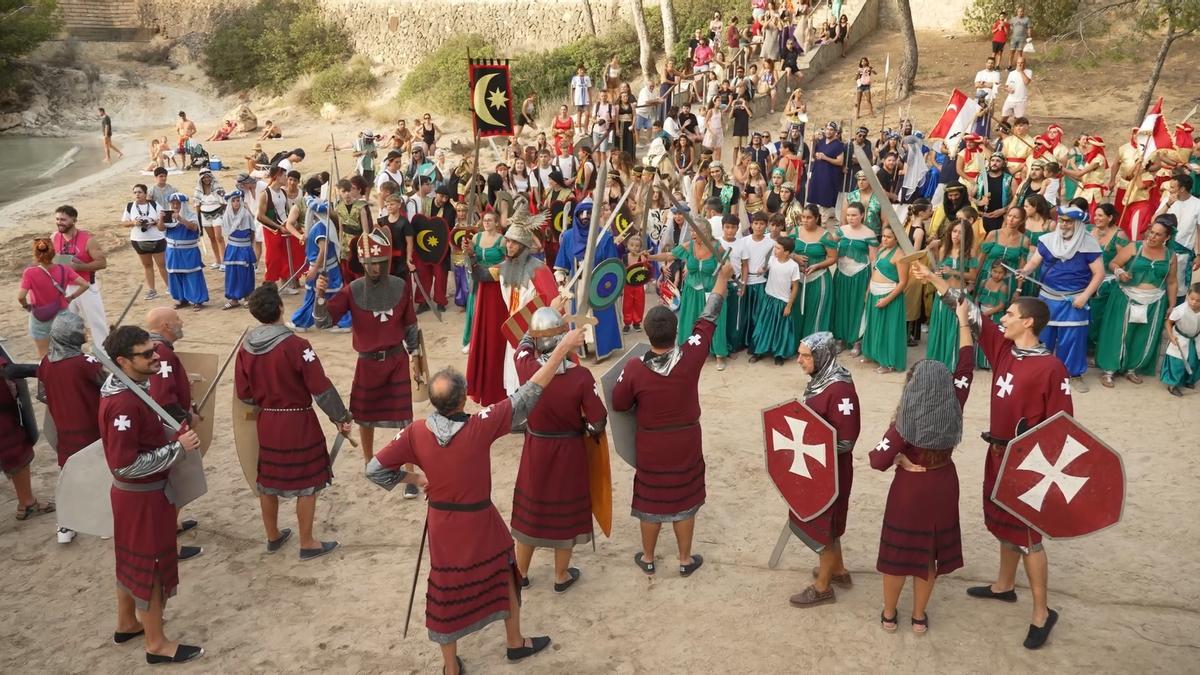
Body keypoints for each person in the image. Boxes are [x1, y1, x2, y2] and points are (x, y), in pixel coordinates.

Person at [366, 329, 586, 675]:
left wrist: (413, 478)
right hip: (481, 524)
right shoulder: (480, 426)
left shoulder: (416, 432)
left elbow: (374, 469)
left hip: (442, 527)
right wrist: (561, 349)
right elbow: (529, 394)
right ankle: (515, 643)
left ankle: (450, 667)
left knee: (446, 591)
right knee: (506, 577)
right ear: (463, 399)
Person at [918, 267, 1070, 650]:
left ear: (1028, 322)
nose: (1002, 318)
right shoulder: (1003, 348)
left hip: (1029, 463)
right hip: (997, 451)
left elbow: (1064, 427)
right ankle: (1004, 585)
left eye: (1010, 315)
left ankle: (1041, 612)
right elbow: (967, 310)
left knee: (1030, 537)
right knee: (1003, 521)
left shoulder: (1052, 368)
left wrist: (1039, 469)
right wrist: (935, 280)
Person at [612, 262, 733, 578]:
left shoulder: (636, 369)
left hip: (651, 444)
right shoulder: (690, 356)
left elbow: (619, 402)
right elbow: (708, 318)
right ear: (675, 330)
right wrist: (722, 278)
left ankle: (649, 558)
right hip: (685, 442)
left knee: (651, 499)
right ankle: (683, 559)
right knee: (685, 498)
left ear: (647, 333)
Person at [98, 325, 204, 664]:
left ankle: (128, 623)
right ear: (122, 361)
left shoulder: (130, 389)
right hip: (141, 497)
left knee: (131, 560)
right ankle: (156, 644)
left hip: (137, 498)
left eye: (154, 350)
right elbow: (124, 465)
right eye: (146, 354)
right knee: (152, 567)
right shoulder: (124, 404)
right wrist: (177, 448)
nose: (156, 357)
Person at [868, 300, 975, 633]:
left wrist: (900, 457)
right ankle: (918, 618)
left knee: (899, 555)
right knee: (928, 556)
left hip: (910, 490)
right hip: (943, 484)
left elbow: (877, 460)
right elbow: (967, 364)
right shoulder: (954, 400)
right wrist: (962, 322)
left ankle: (888, 614)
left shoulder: (904, 422)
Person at [235, 284, 350, 560]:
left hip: (268, 423)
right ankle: (307, 542)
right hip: (297, 422)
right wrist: (340, 417)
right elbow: (320, 387)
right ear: (280, 308)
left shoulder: (246, 348)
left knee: (268, 481)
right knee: (308, 482)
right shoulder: (297, 345)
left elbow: (244, 393)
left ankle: (273, 536)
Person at [509, 307, 606, 592]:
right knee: (566, 515)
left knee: (531, 512)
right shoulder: (581, 377)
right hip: (568, 451)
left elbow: (523, 344)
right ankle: (560, 576)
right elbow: (598, 421)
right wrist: (588, 431)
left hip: (536, 448)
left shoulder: (526, 365)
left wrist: (541, 321)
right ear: (564, 340)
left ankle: (522, 572)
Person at [313, 229, 420, 472]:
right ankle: (369, 461)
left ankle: (410, 468)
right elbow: (323, 321)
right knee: (365, 417)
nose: (374, 268)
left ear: (386, 261)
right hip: (368, 363)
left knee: (405, 419)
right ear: (362, 262)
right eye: (369, 263)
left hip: (396, 360)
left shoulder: (400, 286)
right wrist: (319, 294)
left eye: (378, 263)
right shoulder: (353, 290)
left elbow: (410, 324)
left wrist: (415, 356)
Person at [784, 331, 861, 607]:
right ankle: (838, 571)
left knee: (826, 526)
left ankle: (822, 588)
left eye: (805, 355)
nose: (799, 360)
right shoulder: (822, 380)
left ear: (821, 356)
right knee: (830, 525)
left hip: (833, 472)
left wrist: (814, 451)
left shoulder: (839, 389)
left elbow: (847, 440)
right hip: (822, 467)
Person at [1016, 205, 1104, 390]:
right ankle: (1039, 373)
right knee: (1042, 336)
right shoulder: (1048, 240)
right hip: (1048, 297)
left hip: (1074, 300)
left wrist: (1085, 296)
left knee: (1073, 339)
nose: (1063, 225)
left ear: (1078, 224)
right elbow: (1034, 261)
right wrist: (1025, 271)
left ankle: (1072, 374)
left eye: (1068, 221)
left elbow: (1099, 274)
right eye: (1062, 220)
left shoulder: (1089, 244)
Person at [36, 311, 104, 544]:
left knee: (69, 477)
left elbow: (43, 394)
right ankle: (104, 522)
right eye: (80, 329)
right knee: (101, 475)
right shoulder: (86, 363)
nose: (83, 332)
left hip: (64, 428)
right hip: (93, 427)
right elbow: (110, 386)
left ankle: (65, 525)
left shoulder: (45, 363)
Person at [143, 306, 204, 561]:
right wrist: (189, 419)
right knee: (173, 482)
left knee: (175, 481)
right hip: (169, 429)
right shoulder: (163, 354)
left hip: (167, 426)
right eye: (176, 319)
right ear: (166, 326)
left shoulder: (156, 351)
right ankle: (168, 545)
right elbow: (163, 399)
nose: (181, 322)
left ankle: (174, 527)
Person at [1095, 216, 1177, 387]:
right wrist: (1119, 272)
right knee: (1119, 333)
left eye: (1157, 234)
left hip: (1154, 300)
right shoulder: (1135, 246)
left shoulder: (1170, 256)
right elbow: (1113, 263)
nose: (1152, 237)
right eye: (1151, 232)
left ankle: (1131, 368)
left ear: (1167, 237)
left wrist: (1172, 305)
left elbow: (1171, 281)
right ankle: (1109, 370)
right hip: (1127, 296)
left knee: (1143, 335)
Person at [646, 229, 731, 369]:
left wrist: (725, 271)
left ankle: (719, 355)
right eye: (691, 231)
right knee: (689, 321)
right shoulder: (689, 245)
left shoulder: (716, 246)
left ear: (705, 231)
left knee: (716, 322)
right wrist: (651, 257)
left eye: (695, 231)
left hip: (712, 290)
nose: (692, 234)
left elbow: (727, 264)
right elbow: (669, 254)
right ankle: (686, 353)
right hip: (692, 290)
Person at [554, 200, 623, 360]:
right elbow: (561, 263)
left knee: (601, 319)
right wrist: (561, 279)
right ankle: (581, 347)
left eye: (589, 213)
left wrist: (610, 287)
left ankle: (604, 347)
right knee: (579, 319)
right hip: (577, 287)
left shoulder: (604, 237)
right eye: (581, 213)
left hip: (599, 287)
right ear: (577, 215)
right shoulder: (569, 237)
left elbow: (611, 266)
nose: (585, 217)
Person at [19, 237, 91, 357]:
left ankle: (50, 374)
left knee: (44, 353)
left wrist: (26, 306)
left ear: (35, 254)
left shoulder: (30, 273)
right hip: (62, 313)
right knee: (68, 351)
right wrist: (71, 297)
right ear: (53, 253)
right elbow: (85, 284)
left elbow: (21, 296)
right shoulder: (64, 269)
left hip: (41, 316)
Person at [51, 205, 109, 342]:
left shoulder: (88, 240)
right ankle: (74, 356)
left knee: (96, 323)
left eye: (63, 219)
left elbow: (102, 263)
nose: (59, 222)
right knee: (68, 324)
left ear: (74, 220)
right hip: (63, 287)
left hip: (87, 286)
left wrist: (79, 267)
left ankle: (105, 356)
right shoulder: (54, 237)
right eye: (57, 219)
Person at [926, 220, 978, 370]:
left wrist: (954, 272)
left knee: (956, 328)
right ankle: (937, 362)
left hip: (960, 295)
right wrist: (938, 273)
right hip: (943, 293)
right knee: (941, 327)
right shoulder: (944, 249)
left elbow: (973, 276)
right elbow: (940, 270)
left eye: (960, 232)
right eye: (954, 231)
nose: (956, 235)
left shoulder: (970, 252)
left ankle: (954, 364)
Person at [831, 202, 878, 354]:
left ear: (862, 215)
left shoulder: (869, 233)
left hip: (860, 274)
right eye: (848, 215)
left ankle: (857, 340)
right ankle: (841, 339)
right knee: (841, 306)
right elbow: (828, 246)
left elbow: (873, 260)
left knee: (858, 306)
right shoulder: (841, 231)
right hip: (842, 273)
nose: (851, 218)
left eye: (854, 215)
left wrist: (872, 282)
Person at [861, 225, 909, 373]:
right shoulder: (882, 250)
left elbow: (903, 282)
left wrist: (887, 299)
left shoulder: (900, 255)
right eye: (883, 236)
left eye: (889, 237)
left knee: (888, 328)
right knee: (874, 325)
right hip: (875, 292)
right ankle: (872, 354)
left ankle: (888, 362)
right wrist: (868, 290)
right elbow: (875, 271)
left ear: (897, 238)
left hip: (888, 295)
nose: (885, 239)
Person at [749, 236, 801, 364]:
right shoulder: (772, 260)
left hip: (782, 302)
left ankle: (779, 354)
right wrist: (762, 270)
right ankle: (758, 352)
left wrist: (789, 306)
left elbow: (795, 287)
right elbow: (765, 269)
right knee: (763, 326)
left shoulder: (793, 266)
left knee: (781, 330)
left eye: (778, 248)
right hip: (769, 299)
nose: (775, 250)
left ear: (787, 252)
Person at [159, 194, 209, 311]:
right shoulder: (168, 217)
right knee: (175, 275)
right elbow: (161, 228)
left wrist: (180, 219)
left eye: (177, 203)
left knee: (192, 275)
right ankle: (181, 299)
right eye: (173, 203)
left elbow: (194, 228)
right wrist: (161, 219)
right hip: (173, 251)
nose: (175, 205)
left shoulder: (191, 215)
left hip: (189, 251)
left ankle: (198, 300)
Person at [1154, 173, 1200, 301]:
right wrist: (1168, 204)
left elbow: (1199, 231)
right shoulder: (1168, 201)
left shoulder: (1197, 204)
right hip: (1163, 251)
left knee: (1178, 289)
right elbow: (1154, 221)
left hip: (1183, 254)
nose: (1170, 190)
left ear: (1182, 189)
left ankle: (1173, 318)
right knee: (1160, 285)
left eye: (1173, 187)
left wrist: (1199, 255)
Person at [219, 189, 257, 309]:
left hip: (244, 247)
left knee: (245, 273)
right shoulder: (226, 216)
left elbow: (252, 232)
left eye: (238, 200)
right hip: (232, 247)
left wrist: (249, 245)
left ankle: (248, 297)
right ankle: (234, 299)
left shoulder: (246, 214)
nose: (236, 203)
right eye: (233, 201)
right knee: (232, 273)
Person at [1161, 282, 1200, 396]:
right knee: (1177, 362)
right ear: (1187, 295)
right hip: (1180, 338)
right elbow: (1168, 322)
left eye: (1198, 301)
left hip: (1195, 338)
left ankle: (1188, 380)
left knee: (1193, 361)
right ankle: (1172, 385)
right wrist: (1171, 336)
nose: (1194, 302)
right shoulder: (1180, 310)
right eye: (1192, 299)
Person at [809, 123, 846, 226]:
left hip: (829, 175)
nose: (828, 131)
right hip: (818, 173)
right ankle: (816, 220)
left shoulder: (839, 145)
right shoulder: (820, 142)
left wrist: (825, 158)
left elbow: (840, 162)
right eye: (827, 129)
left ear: (835, 132)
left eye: (831, 130)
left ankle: (823, 223)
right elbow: (813, 156)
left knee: (825, 199)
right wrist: (813, 143)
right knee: (815, 197)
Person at [193, 169, 226, 269]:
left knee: (219, 237)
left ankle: (224, 261)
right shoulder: (198, 191)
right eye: (204, 177)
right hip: (205, 215)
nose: (206, 179)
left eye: (208, 177)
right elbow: (197, 206)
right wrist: (199, 222)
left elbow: (223, 202)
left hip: (217, 213)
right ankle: (218, 261)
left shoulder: (218, 187)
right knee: (212, 238)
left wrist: (223, 214)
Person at [1000, 55, 1032, 124]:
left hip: (1021, 100)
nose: (1020, 64)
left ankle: (1015, 133)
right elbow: (1006, 86)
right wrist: (1008, 90)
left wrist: (1021, 71)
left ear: (1024, 63)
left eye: (1022, 63)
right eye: (1018, 63)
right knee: (1004, 117)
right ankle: (1001, 131)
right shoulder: (1012, 73)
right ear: (1016, 63)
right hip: (1010, 99)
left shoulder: (1028, 72)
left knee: (1018, 120)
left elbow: (1026, 82)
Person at [1006, 6, 1032, 70]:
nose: (1020, 13)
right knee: (1012, 51)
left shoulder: (1027, 19)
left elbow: (1029, 28)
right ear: (1017, 12)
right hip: (1013, 38)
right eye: (1019, 11)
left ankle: (1020, 66)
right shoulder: (1013, 19)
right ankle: (1009, 65)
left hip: (1022, 38)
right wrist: (1009, 29)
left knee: (1020, 52)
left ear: (1023, 12)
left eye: (1021, 11)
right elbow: (1007, 24)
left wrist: (1029, 36)